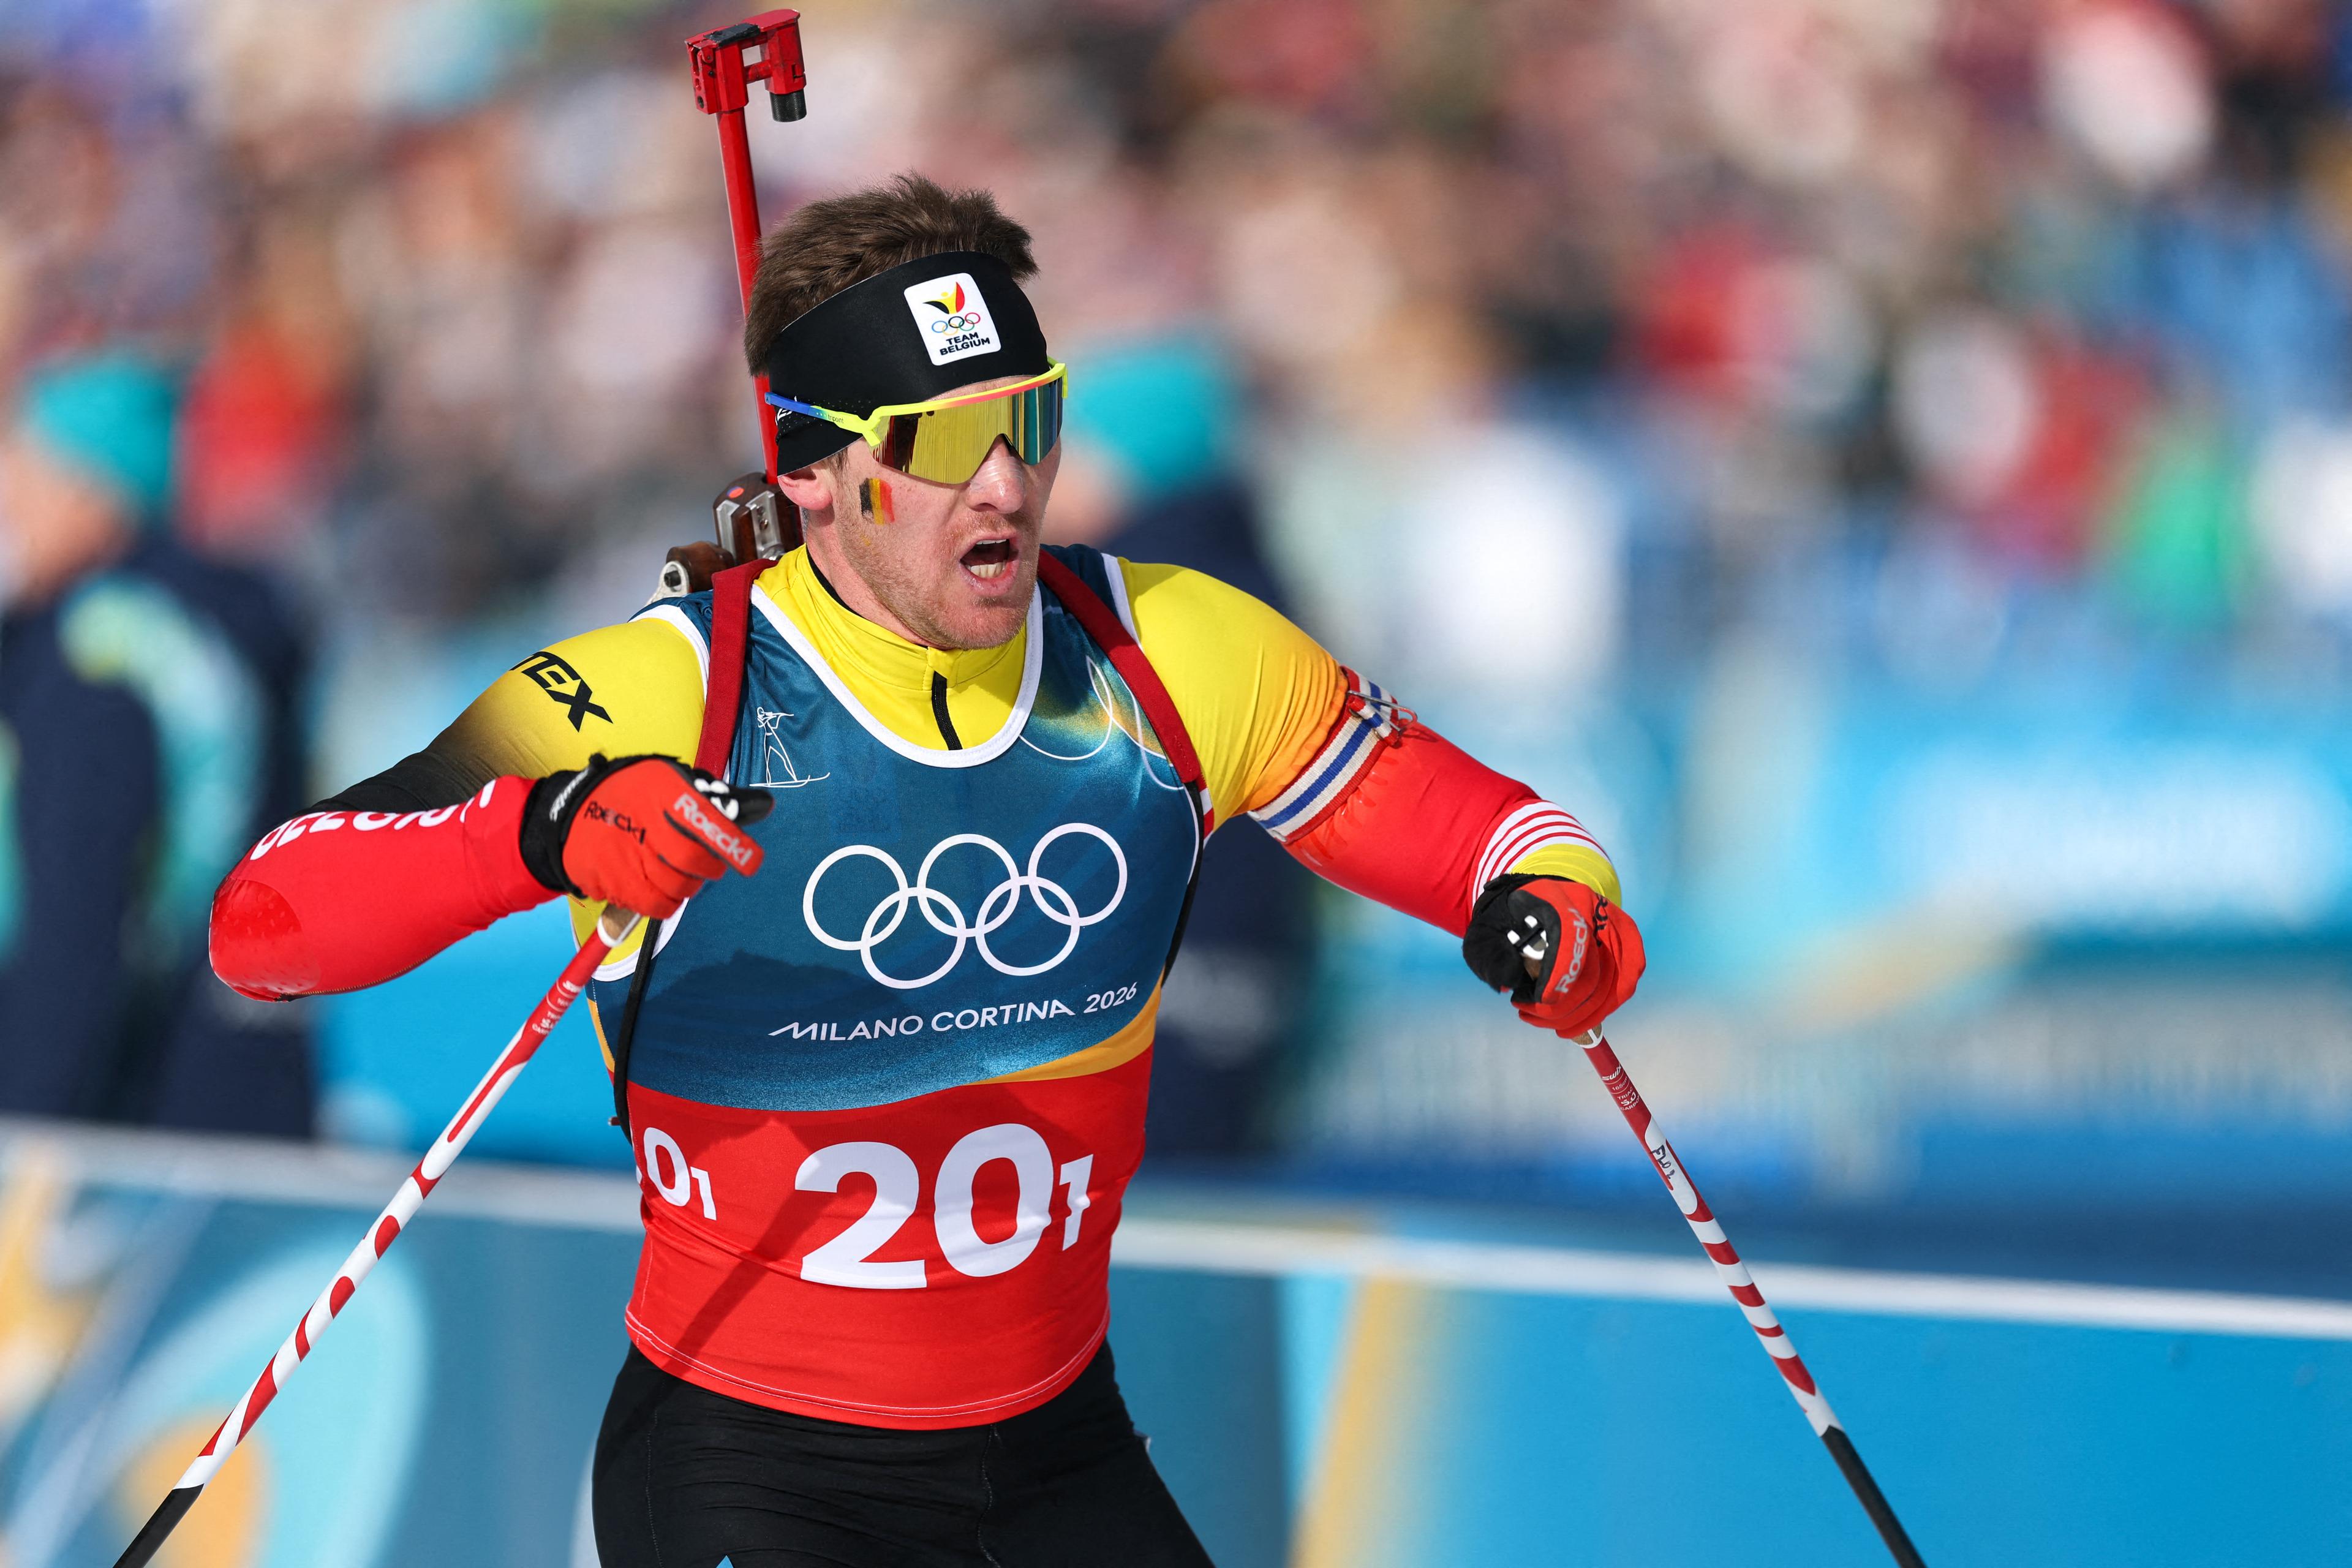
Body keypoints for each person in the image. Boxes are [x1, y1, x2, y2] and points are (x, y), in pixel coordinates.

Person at [208, 175, 1644, 1567]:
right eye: (943, 443)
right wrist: (538, 830)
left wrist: (1561, 911)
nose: (1008, 483)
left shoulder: (1166, 652)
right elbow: (263, 919)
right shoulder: (669, 692)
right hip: (749, 1461)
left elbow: (1485, 833)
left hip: (1052, 1444)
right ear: (814, 473)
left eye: (1030, 421)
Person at [0, 350, 312, 1133]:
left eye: (28, 476)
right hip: (244, 1070)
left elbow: (79, 913)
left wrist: (31, 1135)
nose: (11, 503)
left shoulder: (101, 654)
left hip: (133, 1108)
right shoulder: (228, 629)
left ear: (94, 494)